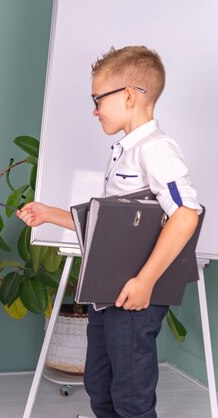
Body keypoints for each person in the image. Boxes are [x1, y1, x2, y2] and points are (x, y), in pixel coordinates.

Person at [17, 46, 201, 417]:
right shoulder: (123, 152)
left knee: (131, 398)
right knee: (100, 388)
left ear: (129, 96)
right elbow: (111, 230)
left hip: (134, 299)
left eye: (98, 98)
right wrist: (50, 214)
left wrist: (146, 281)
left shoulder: (157, 149)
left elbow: (185, 215)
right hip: (106, 296)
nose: (94, 108)